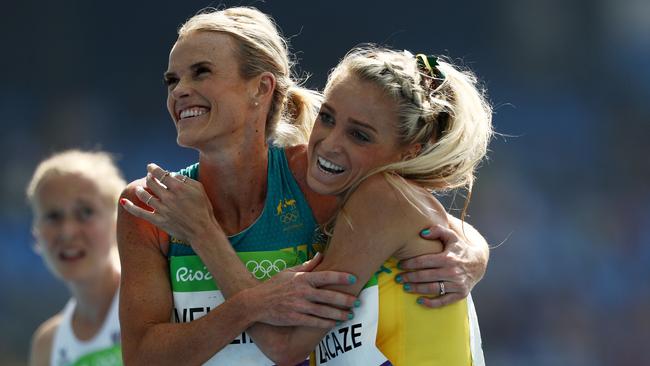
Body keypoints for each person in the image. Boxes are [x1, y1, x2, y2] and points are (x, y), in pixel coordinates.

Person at [118, 7, 490, 365]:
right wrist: (472, 248)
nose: (180, 89)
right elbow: (142, 359)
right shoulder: (152, 205)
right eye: (172, 80)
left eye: (201, 72)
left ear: (261, 88)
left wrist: (471, 250)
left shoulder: (316, 182)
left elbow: (408, 213)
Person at [26, 150, 125, 366]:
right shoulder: (47, 345)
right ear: (36, 234)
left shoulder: (160, 303)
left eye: (86, 212)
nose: (68, 232)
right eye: (53, 216)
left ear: (119, 223)